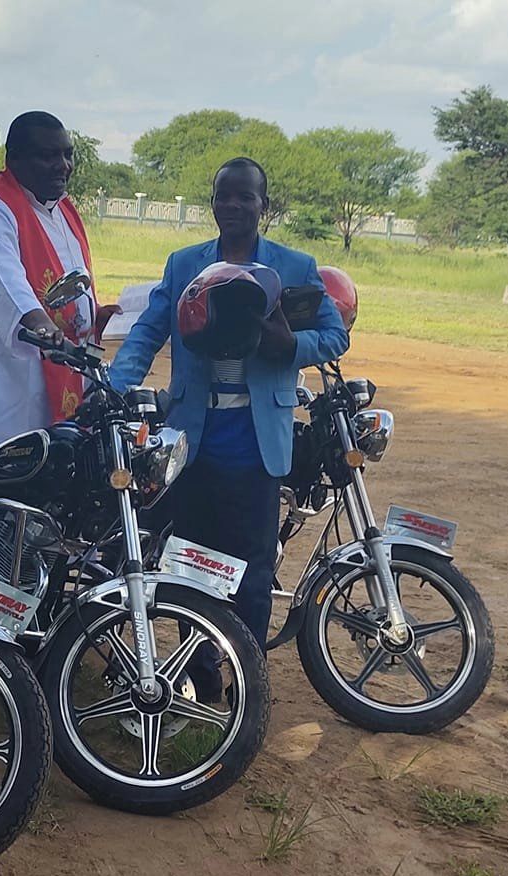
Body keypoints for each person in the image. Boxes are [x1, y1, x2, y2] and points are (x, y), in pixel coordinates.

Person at [112, 157, 351, 646]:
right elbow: (149, 331)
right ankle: (200, 674)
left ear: (264, 204)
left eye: (245, 196)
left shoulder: (295, 266)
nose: (233, 205)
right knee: (190, 563)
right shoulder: (184, 264)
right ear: (213, 202)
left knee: (253, 569)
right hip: (192, 436)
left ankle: (248, 670)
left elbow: (334, 335)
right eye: (224, 195)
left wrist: (292, 348)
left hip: (257, 437)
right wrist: (115, 388)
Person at [0, 110, 114, 443]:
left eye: (67, 154)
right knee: (8, 465)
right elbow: (6, 284)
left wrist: (95, 315)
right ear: (14, 159)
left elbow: (72, 287)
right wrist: (43, 326)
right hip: (9, 374)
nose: (63, 165)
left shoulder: (64, 210)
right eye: (48, 155)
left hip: (67, 364)